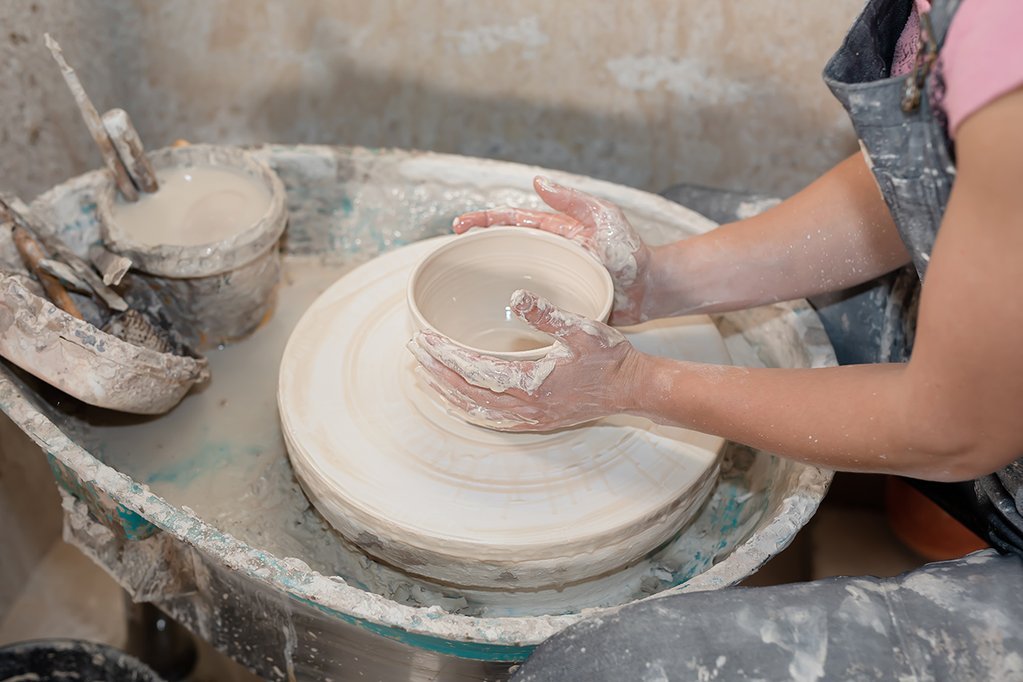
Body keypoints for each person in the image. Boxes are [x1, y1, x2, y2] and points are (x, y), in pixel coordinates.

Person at [410, 0, 1023, 678]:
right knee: (687, 222)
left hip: (971, 424)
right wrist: (658, 281)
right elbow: (928, 171)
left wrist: (632, 386)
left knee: (595, 670)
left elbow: (950, 429)